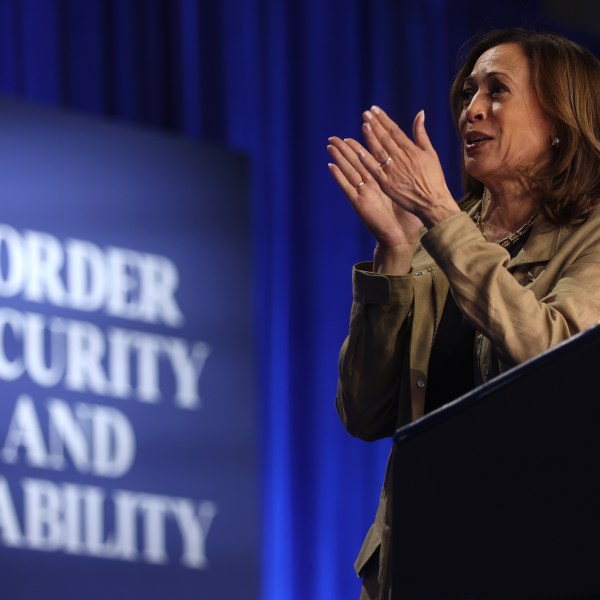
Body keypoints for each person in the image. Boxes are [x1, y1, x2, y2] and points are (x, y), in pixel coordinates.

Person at [326, 28, 600, 600]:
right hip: (416, 564)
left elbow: (554, 357)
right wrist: (397, 252)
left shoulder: (591, 236)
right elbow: (363, 413)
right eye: (467, 94)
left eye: (496, 91)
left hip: (528, 558)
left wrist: (440, 218)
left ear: (558, 125)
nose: (471, 110)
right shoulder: (440, 239)